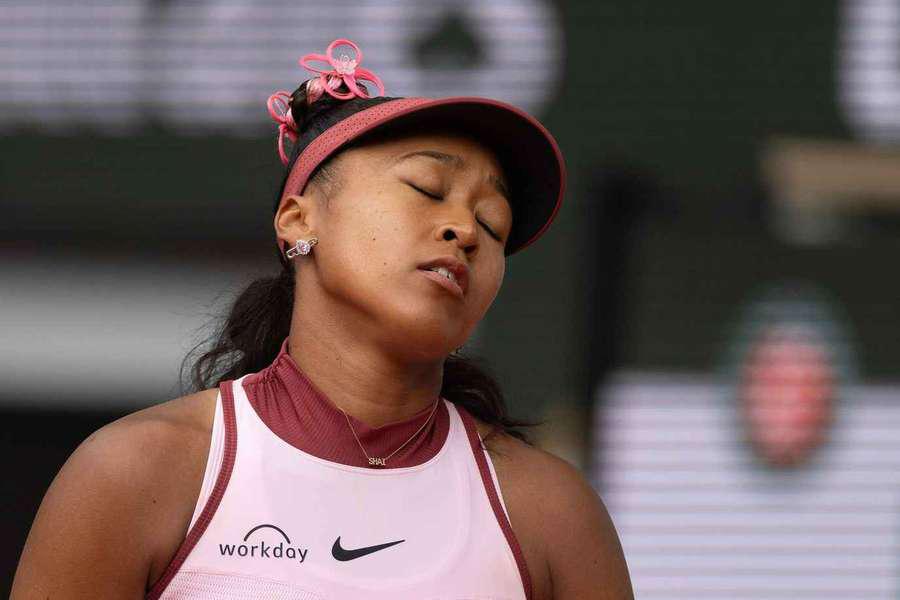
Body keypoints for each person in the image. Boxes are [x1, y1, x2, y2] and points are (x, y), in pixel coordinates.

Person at [11, 39, 633, 599]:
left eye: (494, 224)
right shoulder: (137, 471)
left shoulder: (552, 514)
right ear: (298, 221)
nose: (465, 230)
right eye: (425, 187)